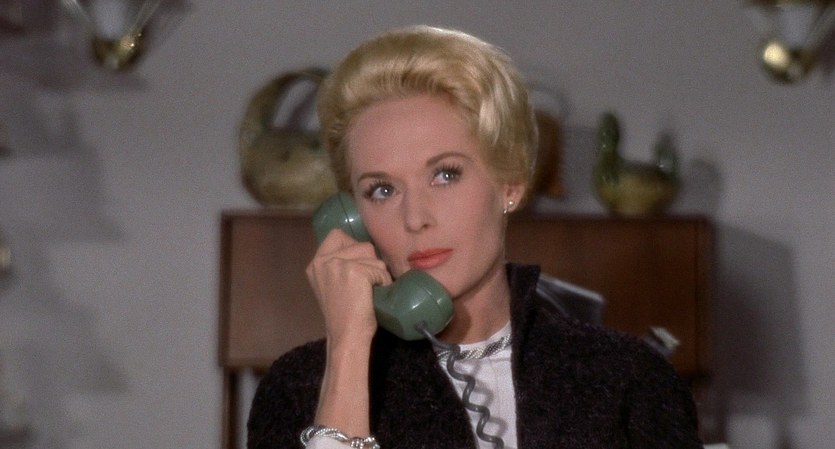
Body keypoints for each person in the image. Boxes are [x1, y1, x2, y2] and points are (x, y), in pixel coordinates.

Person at [247, 25, 702, 449]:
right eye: (382, 190)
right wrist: (347, 350)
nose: (415, 219)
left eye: (445, 174)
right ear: (352, 215)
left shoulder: (627, 379)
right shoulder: (298, 388)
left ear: (510, 184)